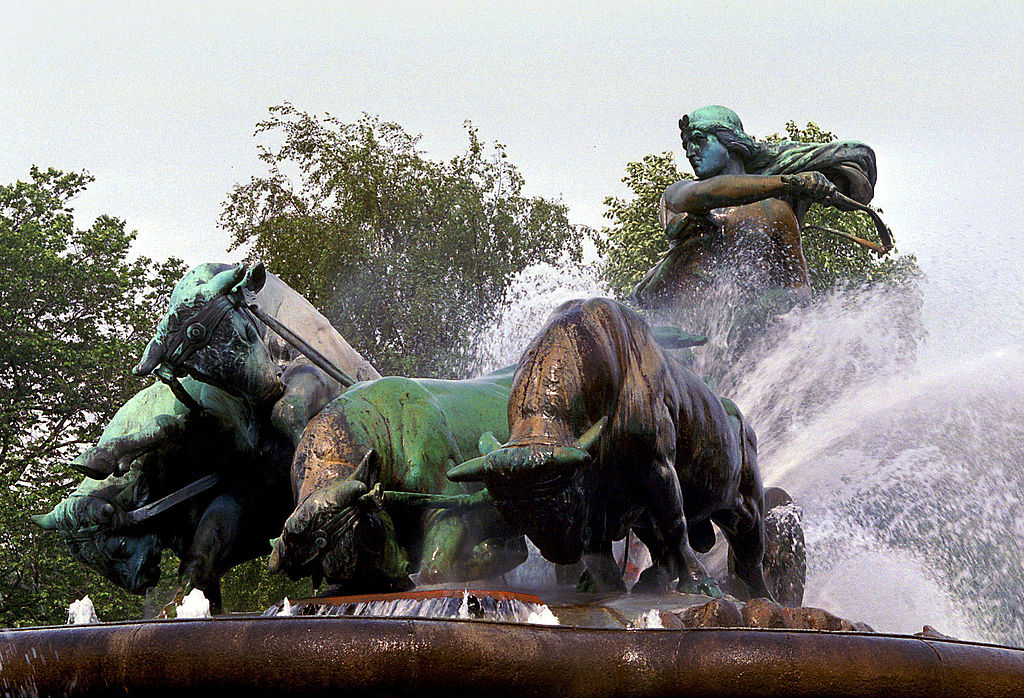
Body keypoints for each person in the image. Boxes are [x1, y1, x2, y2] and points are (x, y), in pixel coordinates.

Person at [630, 105, 878, 311]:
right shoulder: (678, 195)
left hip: (751, 342)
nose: (689, 153)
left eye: (698, 141)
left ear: (730, 142)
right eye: (686, 145)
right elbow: (708, 192)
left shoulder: (774, 211)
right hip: (679, 342)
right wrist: (791, 182)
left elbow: (800, 291)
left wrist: (758, 308)